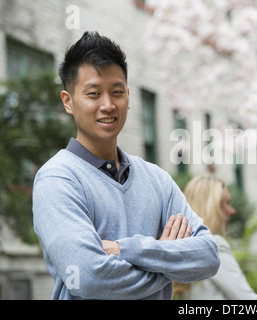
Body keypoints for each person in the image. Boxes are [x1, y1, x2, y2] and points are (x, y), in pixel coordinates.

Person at [32, 31, 220, 300]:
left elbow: (208, 256)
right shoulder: (57, 179)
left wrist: (125, 250)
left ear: (128, 97)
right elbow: (88, 279)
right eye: (93, 94)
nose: (108, 105)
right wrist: (168, 260)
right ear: (68, 101)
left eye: (117, 92)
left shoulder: (157, 179)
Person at [174, 175, 257, 300]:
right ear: (212, 207)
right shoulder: (214, 246)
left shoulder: (185, 247)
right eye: (227, 203)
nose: (232, 211)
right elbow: (247, 298)